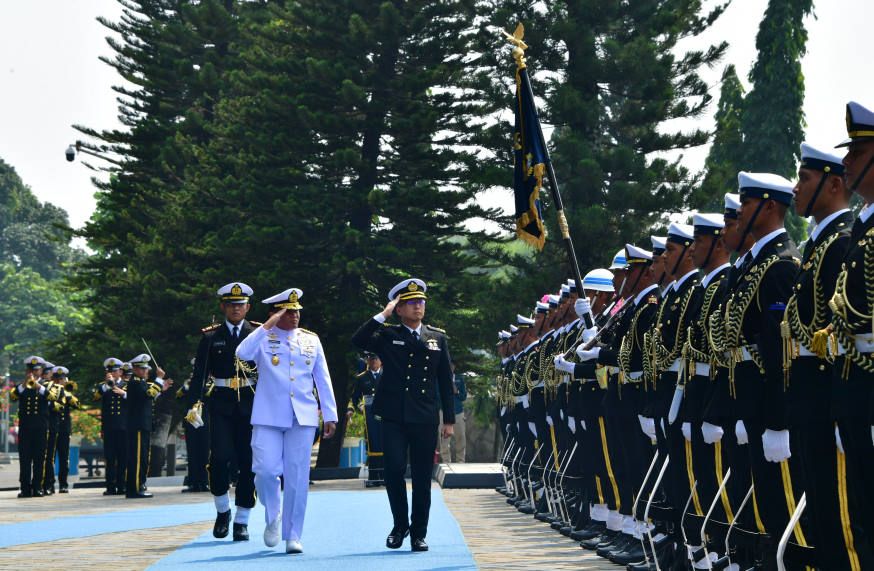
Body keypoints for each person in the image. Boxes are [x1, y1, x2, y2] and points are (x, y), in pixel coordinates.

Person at [351, 278, 455, 552]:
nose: (418, 307)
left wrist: (450, 420)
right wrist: (382, 315)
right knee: (393, 470)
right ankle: (400, 525)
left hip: (424, 415)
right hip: (394, 415)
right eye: (410, 303)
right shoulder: (387, 334)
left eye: (421, 302)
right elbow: (358, 340)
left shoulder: (437, 337)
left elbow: (445, 380)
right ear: (399, 308)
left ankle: (418, 533)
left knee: (422, 476)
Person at [235, 287, 338, 554]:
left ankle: (293, 535)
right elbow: (242, 353)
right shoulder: (262, 338)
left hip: (302, 416)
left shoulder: (311, 340)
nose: (294, 317)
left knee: (296, 478)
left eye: (297, 312)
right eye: (288, 312)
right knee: (266, 471)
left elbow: (323, 379)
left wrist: (330, 415)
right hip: (268, 416)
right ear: (275, 313)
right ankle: (273, 515)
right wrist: (266, 326)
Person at [188, 282, 260, 540]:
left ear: (247, 307)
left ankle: (242, 520)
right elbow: (199, 374)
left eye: (240, 305)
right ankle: (222, 511)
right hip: (221, 404)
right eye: (231, 304)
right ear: (223, 307)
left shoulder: (257, 333)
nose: (236, 309)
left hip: (251, 405)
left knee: (248, 462)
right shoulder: (211, 337)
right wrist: (194, 403)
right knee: (218, 458)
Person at [118, 354, 172, 498]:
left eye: (146, 369)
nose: (146, 371)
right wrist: (159, 379)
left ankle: (139, 485)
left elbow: (147, 397)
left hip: (143, 425)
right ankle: (135, 488)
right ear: (135, 369)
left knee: (142, 457)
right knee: (137, 457)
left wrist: (160, 388)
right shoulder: (135, 382)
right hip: (138, 425)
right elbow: (148, 393)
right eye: (142, 369)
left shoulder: (140, 382)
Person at [10, 356, 57, 497]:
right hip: (25, 427)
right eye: (31, 370)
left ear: (41, 370)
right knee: (25, 459)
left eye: (36, 370)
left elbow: (53, 398)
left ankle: (37, 487)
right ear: (27, 370)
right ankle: (25, 488)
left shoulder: (47, 385)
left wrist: (39, 387)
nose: (34, 372)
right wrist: (25, 384)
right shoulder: (21, 385)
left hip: (41, 427)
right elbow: (13, 397)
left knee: (39, 459)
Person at [347, 352, 384, 487]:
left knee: (386, 445)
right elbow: (355, 397)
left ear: (381, 361)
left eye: (376, 359)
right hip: (369, 417)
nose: (374, 362)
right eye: (371, 359)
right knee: (372, 445)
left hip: (386, 417)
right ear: (367, 361)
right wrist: (356, 407)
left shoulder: (388, 376)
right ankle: (373, 477)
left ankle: (385, 477)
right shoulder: (361, 378)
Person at [95, 358, 127, 495]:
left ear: (120, 371)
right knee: (110, 457)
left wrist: (123, 394)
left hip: (124, 427)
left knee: (123, 457)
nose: (112, 373)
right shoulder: (103, 386)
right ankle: (110, 486)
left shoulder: (127, 385)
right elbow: (96, 396)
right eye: (109, 371)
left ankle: (122, 485)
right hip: (109, 427)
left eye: (114, 371)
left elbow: (135, 400)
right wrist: (107, 385)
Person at [176, 361, 210, 493]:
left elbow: (208, 393)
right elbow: (178, 395)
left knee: (205, 453)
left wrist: (198, 384)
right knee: (192, 453)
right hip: (191, 422)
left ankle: (205, 481)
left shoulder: (209, 383)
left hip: (205, 422)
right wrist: (189, 385)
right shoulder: (189, 383)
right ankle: (193, 482)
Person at [52, 367, 81, 493]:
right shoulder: (50, 391)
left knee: (64, 458)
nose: (59, 381)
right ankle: (49, 484)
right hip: (51, 428)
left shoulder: (67, 392)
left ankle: (63, 484)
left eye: (61, 379)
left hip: (64, 429)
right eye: (57, 379)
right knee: (49, 458)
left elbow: (77, 404)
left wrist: (68, 392)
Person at [439, 359, 467, 463]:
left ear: (454, 366)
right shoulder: (441, 379)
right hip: (444, 412)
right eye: (448, 365)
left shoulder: (460, 379)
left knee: (461, 438)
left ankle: (461, 461)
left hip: (459, 412)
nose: (450, 367)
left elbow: (463, 396)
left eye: (452, 365)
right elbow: (438, 396)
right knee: (444, 439)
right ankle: (446, 461)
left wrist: (457, 391)